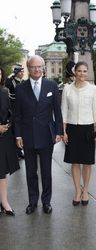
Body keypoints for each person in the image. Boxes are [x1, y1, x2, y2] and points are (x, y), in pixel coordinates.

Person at [15, 55, 63, 215]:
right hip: (28, 136)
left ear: (43, 68)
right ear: (28, 69)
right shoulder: (20, 88)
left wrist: (59, 132)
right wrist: (18, 136)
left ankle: (46, 201)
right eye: (33, 67)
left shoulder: (52, 86)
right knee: (30, 172)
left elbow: (57, 110)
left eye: (39, 66)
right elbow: (18, 115)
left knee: (46, 171)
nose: (36, 69)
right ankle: (33, 201)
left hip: (46, 135)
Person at [61, 61, 96, 206]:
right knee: (75, 161)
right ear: (74, 72)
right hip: (72, 129)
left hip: (87, 128)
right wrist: (63, 131)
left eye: (85, 71)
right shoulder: (67, 89)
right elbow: (64, 111)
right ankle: (77, 190)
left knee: (87, 162)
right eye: (79, 71)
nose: (82, 74)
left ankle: (86, 190)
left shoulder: (93, 89)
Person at [0, 66, 20, 216]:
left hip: (4, 137)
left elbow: (10, 112)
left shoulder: (4, 92)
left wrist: (8, 124)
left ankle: (4, 202)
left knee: (2, 172)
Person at [5, 64, 25, 159]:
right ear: (16, 73)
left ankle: (20, 150)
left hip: (23, 109)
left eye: (22, 71)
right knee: (14, 131)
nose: (22, 73)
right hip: (13, 109)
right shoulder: (11, 82)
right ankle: (16, 152)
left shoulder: (24, 82)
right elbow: (7, 89)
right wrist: (10, 76)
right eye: (20, 72)